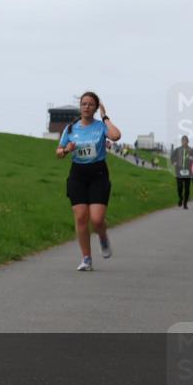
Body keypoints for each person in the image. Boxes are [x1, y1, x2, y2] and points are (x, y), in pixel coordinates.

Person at [56, 92, 122, 271]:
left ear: (95, 108)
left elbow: (116, 136)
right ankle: (86, 259)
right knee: (81, 217)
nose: (86, 107)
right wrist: (66, 150)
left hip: (98, 174)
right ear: (80, 107)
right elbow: (59, 152)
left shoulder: (100, 126)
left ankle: (103, 237)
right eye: (84, 104)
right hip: (78, 175)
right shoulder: (71, 129)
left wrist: (105, 117)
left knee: (97, 219)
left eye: (91, 104)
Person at [171, 135, 193, 209]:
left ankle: (185, 203)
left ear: (188, 142)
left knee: (187, 188)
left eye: (185, 141)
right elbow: (172, 157)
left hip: (188, 170)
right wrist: (174, 162)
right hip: (179, 170)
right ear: (181, 142)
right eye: (183, 141)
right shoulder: (177, 149)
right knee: (180, 187)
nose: (184, 142)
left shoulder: (191, 150)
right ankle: (181, 198)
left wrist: (192, 159)